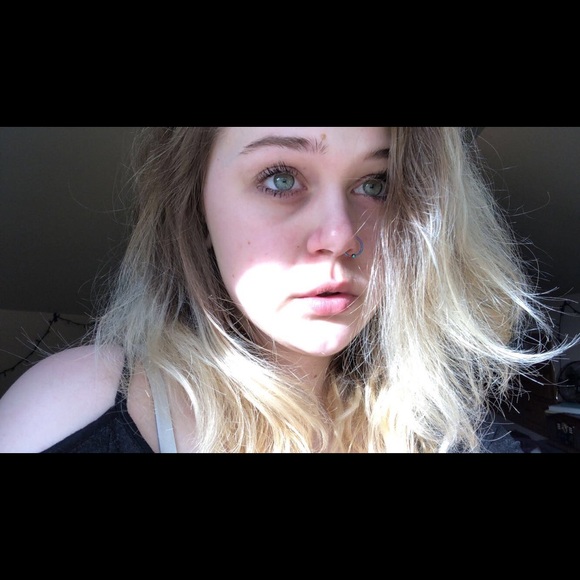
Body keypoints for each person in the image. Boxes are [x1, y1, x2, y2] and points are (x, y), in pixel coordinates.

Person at [0, 127, 571, 453]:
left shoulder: (447, 432)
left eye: (377, 183)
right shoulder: (81, 405)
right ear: (196, 206)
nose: (341, 236)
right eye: (280, 178)